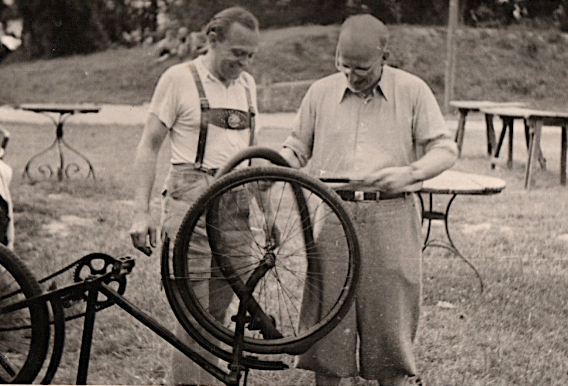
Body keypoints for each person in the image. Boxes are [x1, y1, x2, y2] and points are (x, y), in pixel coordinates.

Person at [279, 14, 458, 386]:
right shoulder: (320, 92)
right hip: (332, 212)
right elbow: (296, 147)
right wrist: (274, 166)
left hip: (391, 212)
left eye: (361, 69)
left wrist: (410, 173)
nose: (351, 76)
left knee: (389, 320)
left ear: (385, 56)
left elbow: (444, 148)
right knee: (328, 319)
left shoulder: (413, 90)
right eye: (343, 66)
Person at [129, 6, 260, 385]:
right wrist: (142, 212)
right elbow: (148, 146)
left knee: (218, 315)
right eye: (238, 52)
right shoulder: (178, 79)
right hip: (191, 200)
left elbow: (254, 154)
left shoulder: (247, 85)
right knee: (192, 315)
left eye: (251, 54)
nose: (244, 62)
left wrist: (266, 216)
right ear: (212, 40)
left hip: (236, 203)